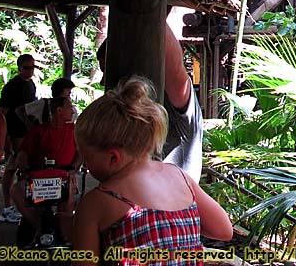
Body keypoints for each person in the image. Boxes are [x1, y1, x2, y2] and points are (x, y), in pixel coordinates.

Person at [72, 78, 232, 265]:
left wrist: (67, 216)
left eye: (86, 157)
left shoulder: (95, 203)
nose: (85, 165)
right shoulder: (179, 176)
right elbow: (223, 230)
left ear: (113, 157)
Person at [97, 23, 203, 181]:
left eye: (108, 70)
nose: (103, 81)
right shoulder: (124, 117)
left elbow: (175, 71)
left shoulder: (173, 101)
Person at [11, 96, 80, 241]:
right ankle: (42, 227)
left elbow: (81, 154)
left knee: (67, 202)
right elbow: (23, 153)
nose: (72, 110)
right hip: (39, 178)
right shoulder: (38, 131)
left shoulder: (74, 130)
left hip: (65, 176)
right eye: (69, 107)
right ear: (59, 111)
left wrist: (73, 168)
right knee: (17, 190)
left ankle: (65, 236)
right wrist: (23, 163)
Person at [0, 53, 38, 223]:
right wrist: (5, 137)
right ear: (19, 68)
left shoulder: (31, 85)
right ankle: (7, 207)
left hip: (26, 133)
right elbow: (3, 114)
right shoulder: (11, 87)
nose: (30, 71)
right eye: (27, 68)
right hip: (14, 133)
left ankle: (19, 204)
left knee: (24, 169)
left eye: (32, 67)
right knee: (11, 168)